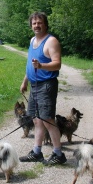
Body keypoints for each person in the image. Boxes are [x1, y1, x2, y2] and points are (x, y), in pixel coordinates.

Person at [19, 11, 66, 165]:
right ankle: (37, 152)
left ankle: (58, 154)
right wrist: (25, 81)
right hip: (34, 85)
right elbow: (30, 64)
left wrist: (42, 65)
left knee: (47, 119)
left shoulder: (51, 41)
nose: (37, 25)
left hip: (47, 85)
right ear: (31, 26)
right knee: (36, 120)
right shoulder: (33, 40)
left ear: (45, 24)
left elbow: (57, 63)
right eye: (34, 23)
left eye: (40, 23)